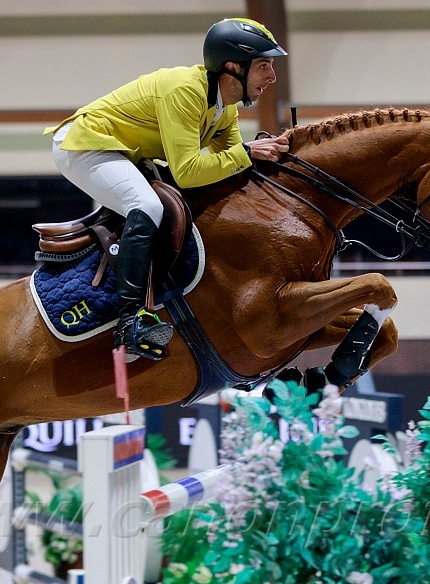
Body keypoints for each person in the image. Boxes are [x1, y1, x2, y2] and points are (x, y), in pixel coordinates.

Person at [45, 18, 289, 362]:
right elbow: (188, 171)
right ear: (234, 66)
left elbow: (233, 167)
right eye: (264, 65)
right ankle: (130, 320)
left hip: (127, 152)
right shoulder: (185, 91)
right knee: (147, 206)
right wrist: (248, 152)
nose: (272, 77)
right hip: (85, 145)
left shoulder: (225, 108)